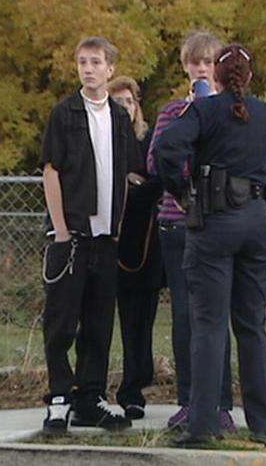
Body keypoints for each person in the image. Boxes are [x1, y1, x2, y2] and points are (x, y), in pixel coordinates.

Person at [157, 44, 266, 447]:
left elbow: (166, 150)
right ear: (249, 77)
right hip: (256, 222)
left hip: (213, 221)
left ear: (215, 76)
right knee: (252, 325)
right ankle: (263, 426)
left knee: (209, 324)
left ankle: (203, 425)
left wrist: (183, 192)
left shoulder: (203, 112)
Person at [39, 36, 134, 434]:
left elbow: (125, 173)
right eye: (82, 62)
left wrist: (119, 227)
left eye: (96, 62)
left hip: (106, 237)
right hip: (72, 235)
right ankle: (60, 397)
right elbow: (51, 170)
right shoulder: (65, 114)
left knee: (99, 322)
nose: (89, 69)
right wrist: (61, 230)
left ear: (110, 69)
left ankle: (90, 397)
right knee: (61, 321)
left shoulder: (119, 118)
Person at [146, 31, 237, 432]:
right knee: (184, 316)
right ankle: (188, 400)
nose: (201, 69)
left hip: (218, 225)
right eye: (194, 62)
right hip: (177, 223)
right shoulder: (172, 112)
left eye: (208, 62)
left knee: (216, 317)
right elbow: (156, 162)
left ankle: (220, 403)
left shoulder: (233, 111)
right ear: (185, 66)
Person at [107, 76, 164, 420]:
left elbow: (158, 180)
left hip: (145, 241)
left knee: (141, 318)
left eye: (128, 101)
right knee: (103, 319)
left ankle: (134, 387)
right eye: (117, 102)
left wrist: (136, 186)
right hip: (108, 240)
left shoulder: (149, 139)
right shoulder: (102, 139)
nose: (124, 107)